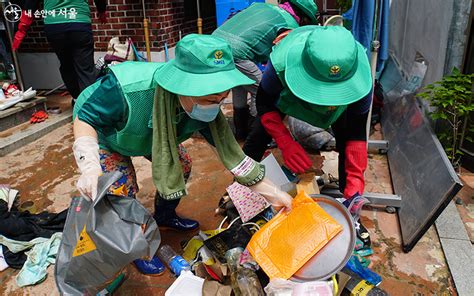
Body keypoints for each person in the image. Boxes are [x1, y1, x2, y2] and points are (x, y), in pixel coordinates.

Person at [72, 34, 293, 275]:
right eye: (209, 99)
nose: (215, 106)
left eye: (221, 99)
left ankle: (165, 215)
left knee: (181, 164)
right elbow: (86, 118)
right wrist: (89, 164)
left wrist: (273, 193)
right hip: (109, 135)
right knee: (121, 190)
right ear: (183, 86)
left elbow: (233, 156)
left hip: (154, 138)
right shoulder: (124, 91)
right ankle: (137, 247)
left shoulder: (202, 111)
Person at [243, 25, 373, 244]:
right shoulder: (281, 64)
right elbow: (264, 103)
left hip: (339, 111)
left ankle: (348, 204)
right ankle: (240, 191)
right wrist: (285, 141)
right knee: (258, 134)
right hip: (289, 99)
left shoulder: (361, 77)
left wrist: (355, 185)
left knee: (345, 140)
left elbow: (356, 133)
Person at [212, 0, 319, 140]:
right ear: (303, 17)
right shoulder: (289, 25)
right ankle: (258, 134)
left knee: (240, 85)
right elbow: (282, 59)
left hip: (215, 45)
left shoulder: (264, 7)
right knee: (261, 91)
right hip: (236, 52)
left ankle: (241, 132)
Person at [12, 0, 107, 104]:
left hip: (55, 26)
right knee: (85, 68)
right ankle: (89, 105)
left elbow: (30, 4)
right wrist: (102, 11)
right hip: (79, 23)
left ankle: (77, 99)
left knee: (67, 65)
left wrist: (21, 29)